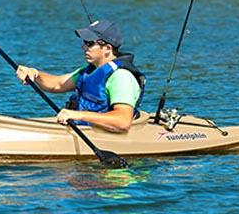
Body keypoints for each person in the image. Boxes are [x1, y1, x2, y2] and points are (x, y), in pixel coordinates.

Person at [16, 20, 145, 133]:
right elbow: (57, 84)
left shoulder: (121, 77)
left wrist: (78, 115)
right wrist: (35, 73)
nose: (83, 47)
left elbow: (122, 121)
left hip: (108, 135)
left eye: (89, 43)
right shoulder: (89, 72)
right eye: (85, 42)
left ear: (107, 48)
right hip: (85, 128)